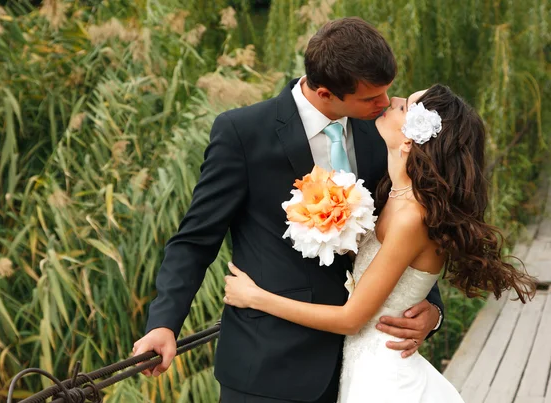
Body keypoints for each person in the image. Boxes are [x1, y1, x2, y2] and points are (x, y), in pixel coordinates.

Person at [133, 17, 446, 402]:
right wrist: (164, 323)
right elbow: (195, 240)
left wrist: (431, 309)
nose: (384, 106)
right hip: (266, 368)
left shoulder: (382, 135)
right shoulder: (243, 133)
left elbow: (407, 228)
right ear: (326, 92)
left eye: (387, 94)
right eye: (370, 98)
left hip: (361, 369)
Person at [223, 84, 537, 402]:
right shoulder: (395, 193)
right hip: (362, 368)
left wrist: (256, 297)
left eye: (405, 107)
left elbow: (351, 319)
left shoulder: (411, 217)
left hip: (383, 379)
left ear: (411, 139)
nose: (393, 101)